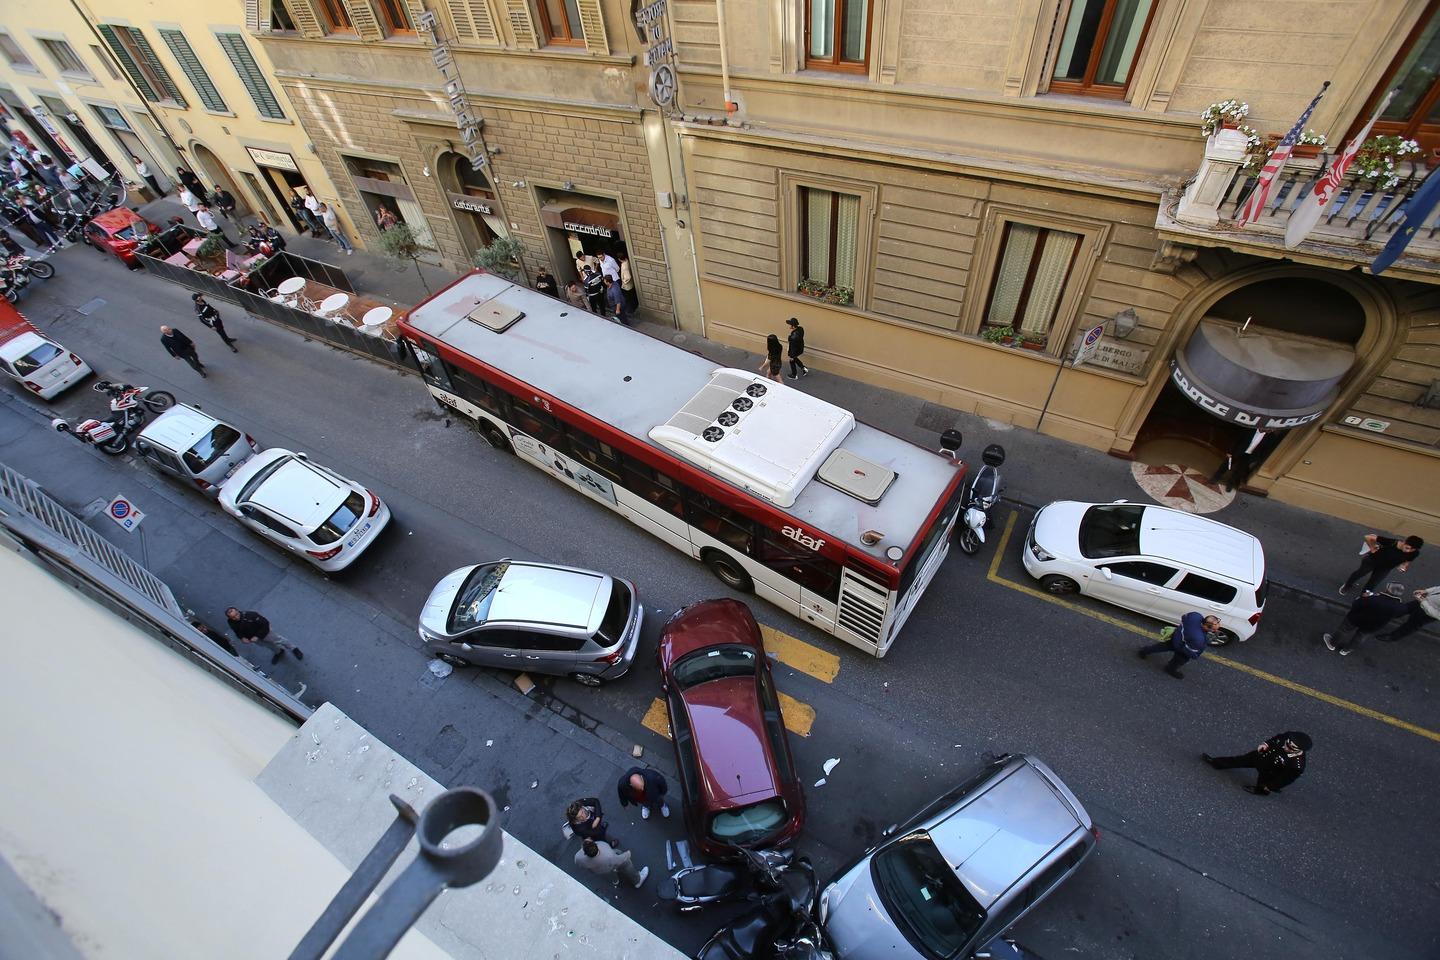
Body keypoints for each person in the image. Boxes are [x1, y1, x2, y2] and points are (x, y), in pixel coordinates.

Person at [1203, 731, 1310, 796]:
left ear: (1297, 750)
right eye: (1286, 744)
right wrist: (1266, 744)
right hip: (1260, 756)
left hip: (1269, 770)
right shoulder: (1288, 738)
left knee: (1263, 783)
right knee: (1238, 760)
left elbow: (1285, 779)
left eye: (1289, 748)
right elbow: (1278, 738)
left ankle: (1262, 791)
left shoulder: (1297, 765)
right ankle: (1216, 763)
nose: (1285, 747)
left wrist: (1271, 786)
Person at [1324, 582, 1409, 656]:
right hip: (1374, 626)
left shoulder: (1373, 599)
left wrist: (1363, 597)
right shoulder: (1400, 607)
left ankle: (1332, 643)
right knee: (1360, 637)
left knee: (1344, 630)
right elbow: (1398, 615)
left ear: (1388, 590)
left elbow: (1356, 604)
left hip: (1356, 618)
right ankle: (1346, 650)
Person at [1136, 612, 1220, 679]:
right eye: (1213, 630)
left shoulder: (1195, 616)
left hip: (1176, 636)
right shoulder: (1198, 639)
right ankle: (1170, 669)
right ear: (1206, 626)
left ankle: (1144, 651)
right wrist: (1195, 655)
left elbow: (1184, 617)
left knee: (1160, 647)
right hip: (1181, 647)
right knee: (1179, 660)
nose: (1214, 631)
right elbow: (1190, 652)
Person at [1341, 534, 1422, 595]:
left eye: (1412, 549)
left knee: (1373, 583)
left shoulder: (1415, 553)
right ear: (1404, 542)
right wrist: (1372, 548)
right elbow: (1368, 537)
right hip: (1371, 561)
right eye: (1407, 548)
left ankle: (1363, 597)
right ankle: (1347, 585)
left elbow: (1408, 560)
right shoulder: (1392, 543)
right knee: (1359, 574)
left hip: (1385, 568)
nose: (1408, 551)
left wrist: (1404, 565)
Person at [225, 607, 304, 665]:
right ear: (230, 618)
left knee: (280, 640)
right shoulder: (231, 623)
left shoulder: (251, 615)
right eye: (233, 617)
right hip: (254, 639)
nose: (236, 617)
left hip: (266, 634)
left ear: (238, 611)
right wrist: (242, 638)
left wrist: (257, 636)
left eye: (236, 614)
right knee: (269, 646)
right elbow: (237, 631)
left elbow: (265, 624)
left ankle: (294, 649)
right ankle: (279, 652)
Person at [574, 838, 648, 889]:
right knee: (627, 863)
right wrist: (627, 854)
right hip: (610, 864)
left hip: (599, 871)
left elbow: (578, 863)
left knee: (609, 873)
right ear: (596, 845)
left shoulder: (578, 857)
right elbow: (618, 860)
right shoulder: (605, 848)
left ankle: (615, 880)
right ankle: (637, 880)